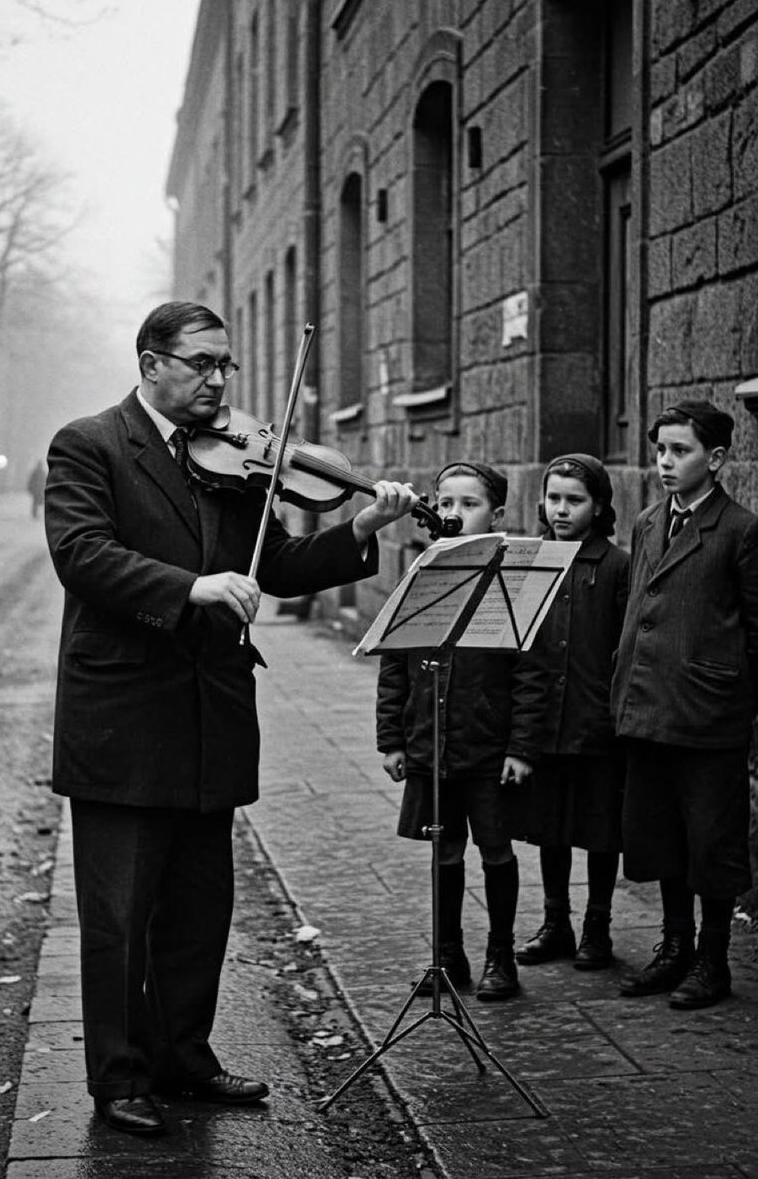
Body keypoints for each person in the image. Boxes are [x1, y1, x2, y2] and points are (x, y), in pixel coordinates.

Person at [43, 301, 419, 1137]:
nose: (219, 380)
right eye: (202, 363)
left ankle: (185, 1055)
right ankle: (120, 1077)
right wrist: (191, 588)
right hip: (123, 717)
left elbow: (276, 567)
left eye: (226, 366)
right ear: (151, 365)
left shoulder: (231, 459)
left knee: (198, 906)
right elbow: (82, 554)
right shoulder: (89, 444)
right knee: (119, 917)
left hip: (211, 713)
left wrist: (360, 525)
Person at [376, 461, 548, 1002]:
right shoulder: (420, 577)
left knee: (496, 853)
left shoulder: (511, 586)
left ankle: (502, 955)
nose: (453, 514)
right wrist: (392, 738)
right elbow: (392, 664)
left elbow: (531, 677)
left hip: (488, 749)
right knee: (443, 853)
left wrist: (520, 747)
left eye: (468, 505)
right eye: (445, 503)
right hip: (431, 747)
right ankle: (448, 955)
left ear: (496, 515)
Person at [612, 400, 758, 1009]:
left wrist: (731, 700)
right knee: (661, 836)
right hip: (648, 707)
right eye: (660, 451)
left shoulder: (740, 529)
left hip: (707, 716)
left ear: (716, 459)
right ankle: (674, 948)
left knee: (712, 842)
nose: (665, 463)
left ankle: (713, 959)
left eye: (680, 451)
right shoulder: (648, 521)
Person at [514, 455, 628, 971]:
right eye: (554, 498)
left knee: (600, 829)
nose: (561, 509)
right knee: (551, 827)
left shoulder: (615, 565)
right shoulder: (534, 559)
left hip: (595, 719)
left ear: (598, 506)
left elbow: (625, 646)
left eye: (574, 500)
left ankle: (597, 926)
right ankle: (555, 921)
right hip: (545, 719)